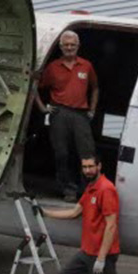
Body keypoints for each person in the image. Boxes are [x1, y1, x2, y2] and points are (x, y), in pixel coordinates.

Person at [39, 155, 120, 274]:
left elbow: (111, 225)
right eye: (84, 167)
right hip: (87, 251)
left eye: (91, 166)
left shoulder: (106, 189)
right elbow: (75, 212)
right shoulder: (90, 189)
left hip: (103, 255)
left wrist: (101, 258)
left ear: (99, 166)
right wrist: (45, 212)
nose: (87, 170)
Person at [36, 30, 99, 202]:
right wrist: (42, 108)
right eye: (66, 45)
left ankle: (88, 190)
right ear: (61, 47)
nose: (69, 47)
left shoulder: (86, 66)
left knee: (87, 154)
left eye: (72, 44)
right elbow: (35, 86)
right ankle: (68, 189)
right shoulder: (53, 67)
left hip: (80, 114)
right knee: (62, 153)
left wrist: (92, 110)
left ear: (78, 46)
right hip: (59, 113)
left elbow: (95, 88)